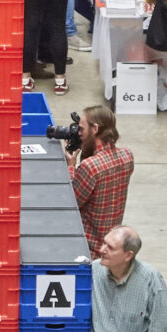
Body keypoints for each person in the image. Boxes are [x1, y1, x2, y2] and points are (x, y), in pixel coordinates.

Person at [68, 106, 133, 258]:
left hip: (88, 249)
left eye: (81, 129)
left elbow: (71, 203)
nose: (79, 134)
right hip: (111, 246)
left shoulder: (90, 166)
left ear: (95, 129)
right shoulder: (127, 156)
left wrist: (71, 167)